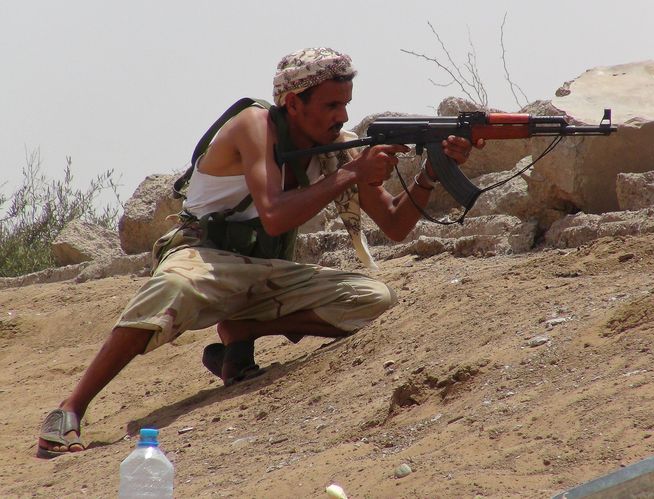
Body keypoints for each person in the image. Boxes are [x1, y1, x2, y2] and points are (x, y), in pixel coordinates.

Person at [36, 47, 482, 458]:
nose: (341, 115)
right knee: (170, 287)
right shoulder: (255, 126)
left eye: (345, 104)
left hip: (266, 271)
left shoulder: (335, 149)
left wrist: (430, 174)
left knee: (376, 299)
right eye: (330, 105)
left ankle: (242, 328)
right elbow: (272, 214)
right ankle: (70, 409)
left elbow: (395, 225)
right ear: (293, 103)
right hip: (204, 258)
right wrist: (350, 175)